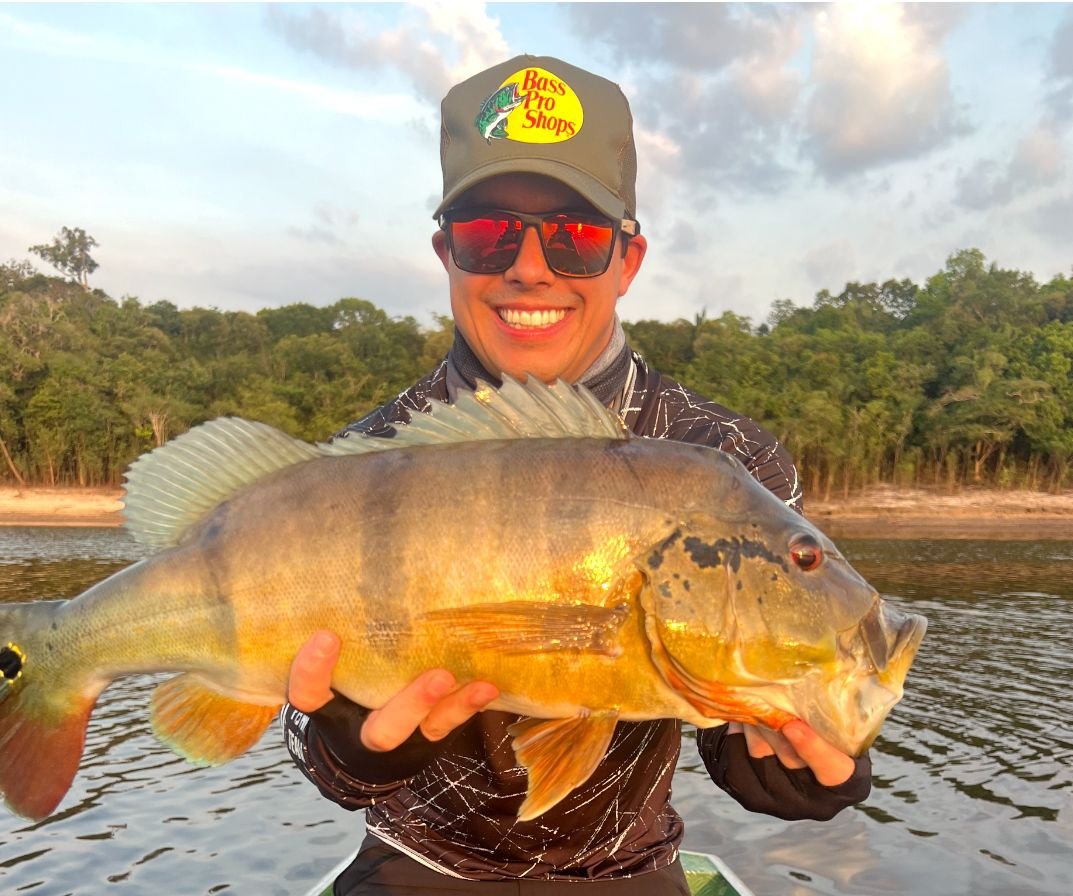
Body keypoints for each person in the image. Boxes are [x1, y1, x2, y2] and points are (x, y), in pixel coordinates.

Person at [281, 54, 871, 894]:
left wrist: (794, 768)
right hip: (414, 865)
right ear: (447, 252)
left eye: (576, 235)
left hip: (627, 868)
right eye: (489, 232)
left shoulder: (726, 457)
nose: (530, 266)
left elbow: (724, 705)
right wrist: (349, 752)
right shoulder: (370, 459)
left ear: (627, 261)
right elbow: (300, 735)